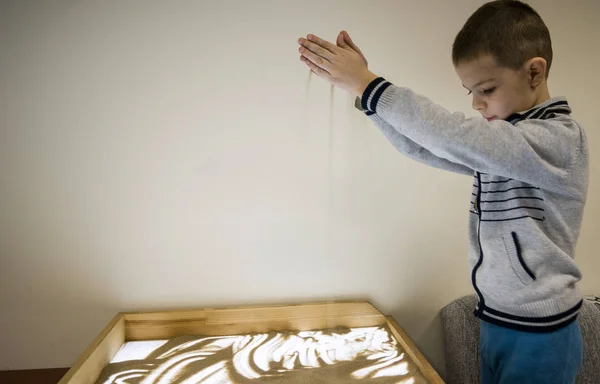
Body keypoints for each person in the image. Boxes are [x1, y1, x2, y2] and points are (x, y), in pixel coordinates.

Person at [297, 1, 588, 383]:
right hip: (498, 322)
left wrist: (370, 85)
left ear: (534, 72)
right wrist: (370, 103)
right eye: (470, 91)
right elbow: (428, 146)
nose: (476, 103)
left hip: (542, 335)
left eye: (486, 88)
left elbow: (455, 134)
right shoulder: (507, 148)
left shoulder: (558, 140)